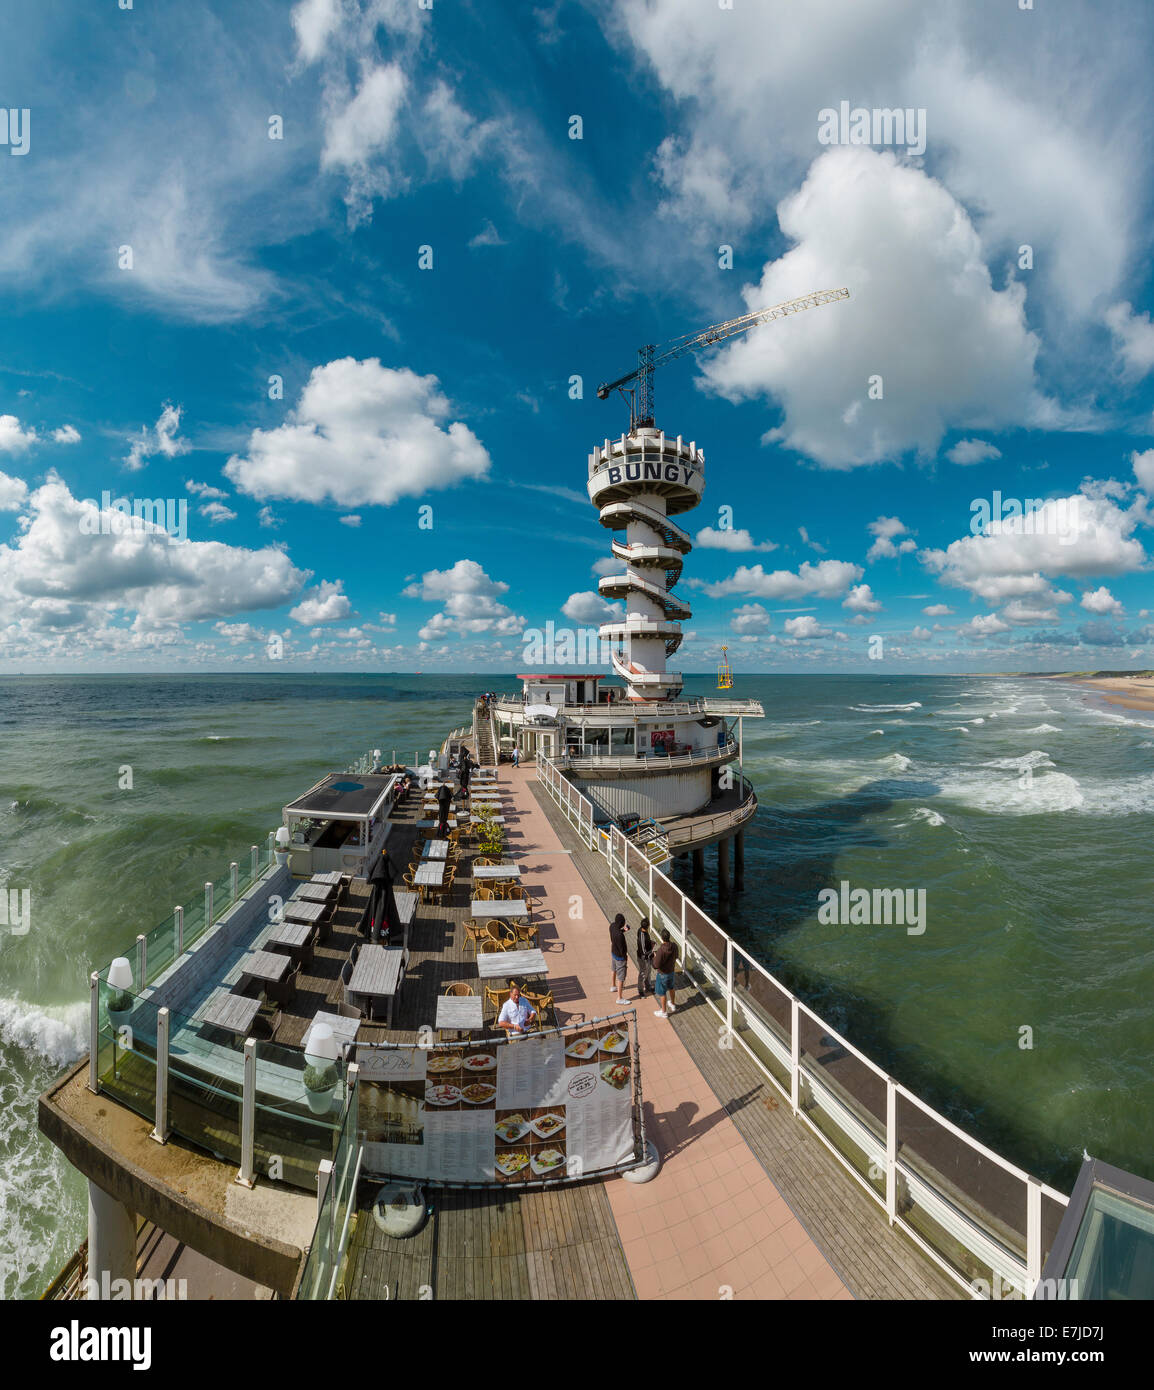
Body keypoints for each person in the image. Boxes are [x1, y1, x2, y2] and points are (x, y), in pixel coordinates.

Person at [651, 928, 680, 1019]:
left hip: (662, 974)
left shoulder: (661, 950)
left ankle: (663, 1012)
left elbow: (656, 965)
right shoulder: (674, 946)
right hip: (671, 972)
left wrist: (655, 957)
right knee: (671, 988)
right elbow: (676, 956)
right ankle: (672, 1004)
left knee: (662, 992)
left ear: (662, 938)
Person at [608, 912, 630, 1004]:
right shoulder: (620, 936)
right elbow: (622, 950)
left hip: (613, 952)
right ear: (621, 923)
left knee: (614, 970)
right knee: (621, 978)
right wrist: (625, 958)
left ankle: (613, 986)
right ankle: (619, 998)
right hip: (620, 958)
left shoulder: (612, 926)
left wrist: (624, 930)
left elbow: (616, 933)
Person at [635, 916, 655, 997]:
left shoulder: (640, 930)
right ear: (647, 927)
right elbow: (644, 952)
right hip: (643, 958)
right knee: (643, 974)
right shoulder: (642, 936)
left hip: (647, 957)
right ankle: (640, 990)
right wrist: (652, 950)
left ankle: (648, 986)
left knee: (648, 971)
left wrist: (650, 942)